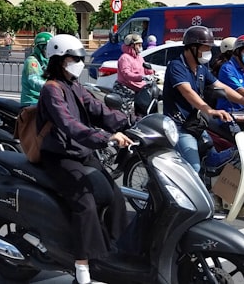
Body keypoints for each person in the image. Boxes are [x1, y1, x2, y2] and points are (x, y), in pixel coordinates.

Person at [36, 34, 132, 284]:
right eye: (74, 58)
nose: (79, 62)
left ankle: (116, 251)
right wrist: (106, 138)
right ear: (59, 60)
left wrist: (130, 120)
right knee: (85, 203)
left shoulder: (76, 85)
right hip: (60, 156)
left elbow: (98, 109)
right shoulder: (51, 89)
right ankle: (82, 267)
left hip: (82, 152)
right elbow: (68, 124)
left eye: (80, 58)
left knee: (114, 195)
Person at [162, 25, 236, 173]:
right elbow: (187, 92)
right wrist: (209, 110)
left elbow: (222, 87)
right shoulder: (176, 66)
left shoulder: (201, 68)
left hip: (196, 124)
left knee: (215, 161)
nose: (208, 52)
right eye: (205, 48)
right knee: (194, 169)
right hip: (180, 126)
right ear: (192, 48)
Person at [113, 33, 152, 112]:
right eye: (138, 45)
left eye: (141, 44)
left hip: (139, 89)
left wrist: (152, 72)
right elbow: (126, 73)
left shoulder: (139, 57)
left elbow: (145, 68)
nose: (140, 47)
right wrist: (141, 77)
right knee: (126, 113)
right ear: (131, 45)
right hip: (126, 90)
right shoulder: (124, 58)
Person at [20, 32, 52, 106]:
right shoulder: (32, 61)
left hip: (43, 99)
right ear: (40, 47)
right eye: (47, 48)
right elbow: (34, 81)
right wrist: (53, 87)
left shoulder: (47, 61)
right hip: (32, 102)